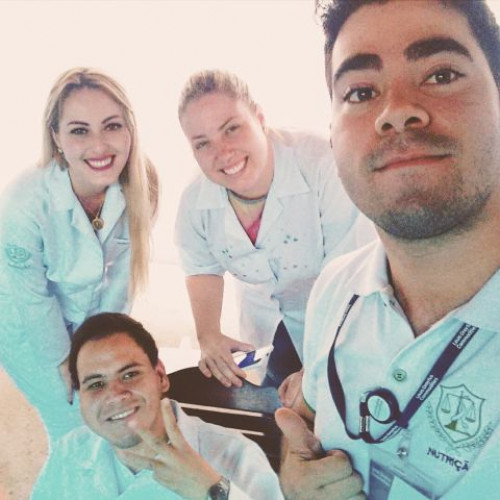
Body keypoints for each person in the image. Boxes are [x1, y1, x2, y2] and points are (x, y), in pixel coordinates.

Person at [276, 0, 500, 499]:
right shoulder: (335, 289)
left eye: (441, 75)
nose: (395, 110)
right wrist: (295, 470)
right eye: (360, 92)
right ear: (332, 135)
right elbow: (307, 416)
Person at [175, 69, 375, 389]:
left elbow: (349, 278)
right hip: (265, 329)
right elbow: (201, 267)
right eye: (202, 143)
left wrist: (319, 368)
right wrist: (208, 335)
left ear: (260, 118)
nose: (222, 152)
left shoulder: (323, 165)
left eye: (232, 129)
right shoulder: (195, 201)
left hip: (342, 324)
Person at [0, 68, 158, 442]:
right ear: (56, 137)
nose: (99, 146)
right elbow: (33, 301)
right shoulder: (23, 204)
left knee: (113, 417)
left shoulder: (143, 183)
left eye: (112, 126)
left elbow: (120, 282)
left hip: (90, 313)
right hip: (26, 326)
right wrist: (66, 362)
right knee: (73, 424)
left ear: (130, 129)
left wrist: (110, 350)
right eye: (79, 130)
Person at [31, 312, 283, 500]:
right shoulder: (69, 453)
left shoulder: (236, 456)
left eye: (129, 375)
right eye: (96, 384)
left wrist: (212, 491)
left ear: (160, 377)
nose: (115, 395)